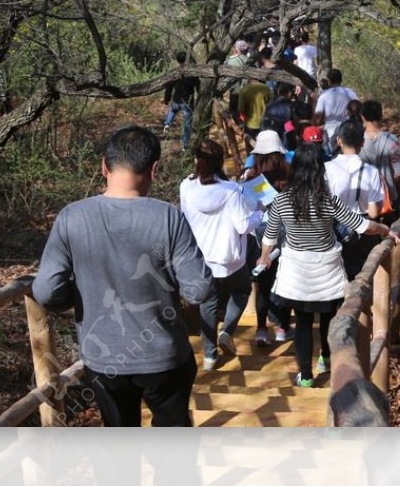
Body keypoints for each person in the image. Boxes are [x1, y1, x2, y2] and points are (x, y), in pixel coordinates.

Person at [32, 125, 214, 427]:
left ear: (104, 166)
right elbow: (198, 289)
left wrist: (79, 297)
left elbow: (47, 291)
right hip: (164, 357)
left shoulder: (71, 217)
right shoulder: (168, 217)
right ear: (154, 169)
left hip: (104, 361)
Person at [256, 143, 398, 388]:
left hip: (296, 271)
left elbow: (270, 234)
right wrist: (386, 229)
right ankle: (325, 357)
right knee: (327, 317)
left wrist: (264, 256)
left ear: (295, 169)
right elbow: (362, 226)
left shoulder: (281, 201)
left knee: (301, 321)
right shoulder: (328, 201)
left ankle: (306, 376)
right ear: (319, 170)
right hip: (327, 269)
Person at [179, 139, 261, 370]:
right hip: (229, 258)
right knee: (242, 289)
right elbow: (243, 226)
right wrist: (259, 213)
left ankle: (209, 356)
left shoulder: (186, 186)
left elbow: (184, 218)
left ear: (197, 161)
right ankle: (227, 330)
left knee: (208, 303)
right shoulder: (231, 191)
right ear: (219, 163)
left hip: (200, 256)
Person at [241, 130, 294, 345]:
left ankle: (262, 329)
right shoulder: (290, 175)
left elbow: (248, 209)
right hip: (286, 234)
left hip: (260, 235)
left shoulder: (252, 179)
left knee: (263, 284)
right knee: (285, 280)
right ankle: (282, 326)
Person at [325, 119, 386, 280]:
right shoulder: (370, 171)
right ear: (363, 143)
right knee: (365, 277)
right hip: (363, 232)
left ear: (339, 140)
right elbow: (373, 213)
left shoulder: (326, 169)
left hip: (332, 230)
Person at [359, 100, 400, 217]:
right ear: (381, 116)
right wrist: (398, 195)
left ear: (362, 117)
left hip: (364, 199)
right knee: (392, 231)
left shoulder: (356, 141)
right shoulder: (392, 140)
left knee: (370, 232)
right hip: (389, 197)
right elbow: (399, 173)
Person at [313, 69, 359, 152]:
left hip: (328, 130)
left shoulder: (324, 95)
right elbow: (357, 106)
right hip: (347, 128)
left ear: (329, 81)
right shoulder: (349, 92)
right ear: (341, 80)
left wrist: (316, 127)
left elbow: (318, 115)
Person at [162, 51, 200, 148]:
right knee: (187, 124)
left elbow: (169, 88)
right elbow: (199, 88)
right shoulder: (192, 74)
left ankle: (167, 123)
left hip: (176, 100)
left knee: (173, 110)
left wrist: (166, 100)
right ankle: (185, 145)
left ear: (178, 61)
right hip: (187, 103)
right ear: (187, 60)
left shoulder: (174, 73)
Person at [237, 51, 274, 144]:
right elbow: (272, 105)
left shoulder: (244, 90)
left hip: (250, 124)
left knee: (251, 145)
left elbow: (241, 110)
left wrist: (243, 123)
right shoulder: (266, 88)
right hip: (265, 124)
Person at [224, 39, 250, 118]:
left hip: (235, 90)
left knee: (234, 110)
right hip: (248, 90)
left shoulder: (232, 60)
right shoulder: (250, 60)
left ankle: (236, 124)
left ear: (237, 48)